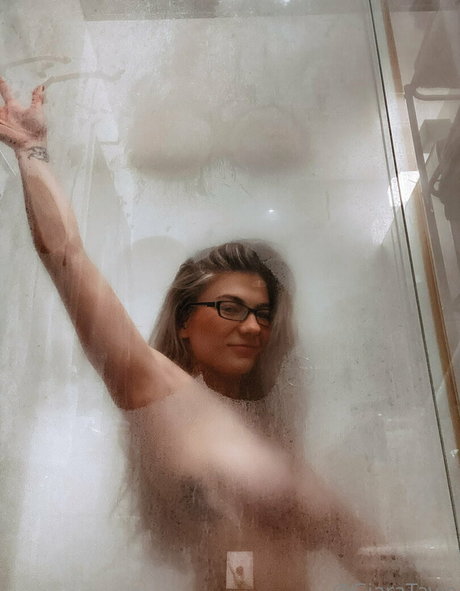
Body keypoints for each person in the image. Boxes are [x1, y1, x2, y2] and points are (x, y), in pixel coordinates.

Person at [0, 79, 436, 590]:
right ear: (185, 322)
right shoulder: (159, 389)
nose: (253, 326)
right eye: (230, 308)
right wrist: (31, 152)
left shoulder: (273, 431)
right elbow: (67, 258)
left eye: (263, 313)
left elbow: (370, 555)